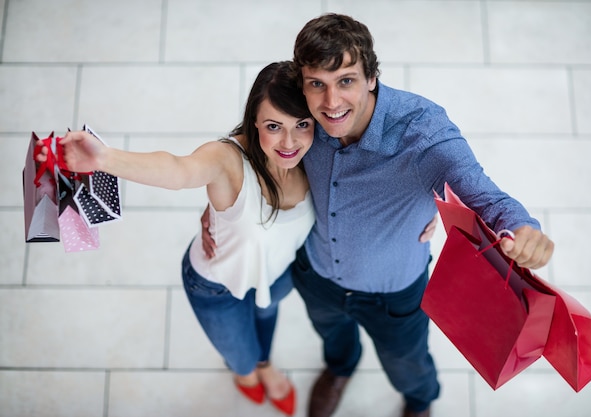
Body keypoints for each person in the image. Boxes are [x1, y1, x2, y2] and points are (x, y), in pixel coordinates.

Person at [201, 14, 555, 417]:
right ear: (303, 82)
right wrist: (217, 205)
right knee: (333, 338)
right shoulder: (302, 116)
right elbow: (250, 146)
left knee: (407, 363)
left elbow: (480, 190)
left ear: (372, 77)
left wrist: (522, 228)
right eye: (318, 83)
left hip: (394, 293)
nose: (331, 103)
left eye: (346, 81)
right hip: (316, 275)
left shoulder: (422, 133)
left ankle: (419, 403)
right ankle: (339, 369)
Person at [36, 61, 316, 416]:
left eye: (302, 125)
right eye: (274, 126)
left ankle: (265, 364)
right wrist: (105, 158)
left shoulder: (316, 153)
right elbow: (178, 169)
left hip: (276, 274)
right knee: (240, 358)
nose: (289, 142)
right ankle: (247, 373)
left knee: (267, 314)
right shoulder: (227, 158)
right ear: (254, 122)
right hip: (217, 288)